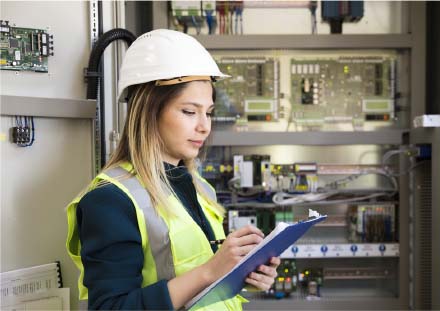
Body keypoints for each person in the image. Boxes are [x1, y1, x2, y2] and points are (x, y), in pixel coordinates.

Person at [66, 29, 280, 310]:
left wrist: (240, 273)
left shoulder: (200, 188)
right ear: (149, 112)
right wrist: (211, 270)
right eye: (190, 112)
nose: (204, 125)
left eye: (209, 112)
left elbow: (204, 284)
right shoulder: (111, 200)